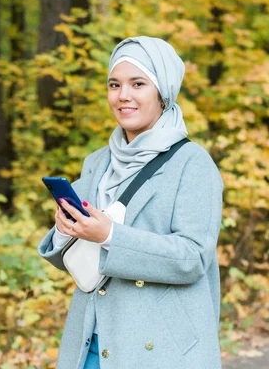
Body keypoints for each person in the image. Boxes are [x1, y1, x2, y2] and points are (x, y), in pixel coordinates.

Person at [38, 36, 224, 369]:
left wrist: (110, 236)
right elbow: (77, 259)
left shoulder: (192, 164)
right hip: (91, 341)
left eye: (138, 84)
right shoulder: (97, 163)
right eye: (114, 84)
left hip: (160, 348)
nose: (123, 95)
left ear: (162, 92)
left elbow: (193, 258)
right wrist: (66, 228)